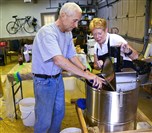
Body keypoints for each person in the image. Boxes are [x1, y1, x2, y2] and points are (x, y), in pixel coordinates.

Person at [32, 2, 104, 133]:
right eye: (75, 21)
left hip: (57, 79)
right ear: (63, 15)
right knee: (44, 120)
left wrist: (86, 70)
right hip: (44, 82)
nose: (76, 25)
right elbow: (59, 60)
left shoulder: (67, 33)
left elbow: (72, 55)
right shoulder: (47, 33)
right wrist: (88, 76)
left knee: (59, 114)